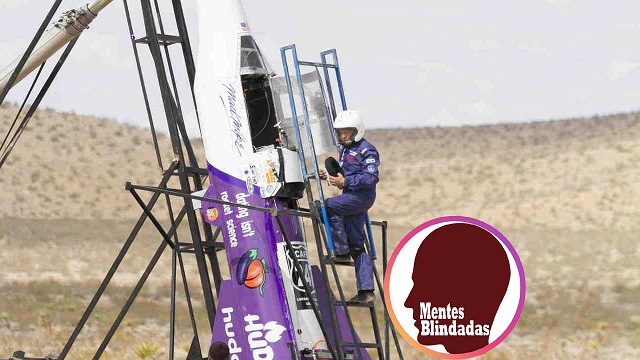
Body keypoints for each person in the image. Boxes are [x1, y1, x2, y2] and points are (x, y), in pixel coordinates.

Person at [319, 110, 380, 304]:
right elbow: (344, 176)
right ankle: (366, 291)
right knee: (357, 243)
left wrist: (346, 182)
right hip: (350, 196)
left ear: (357, 131)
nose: (344, 136)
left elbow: (371, 177)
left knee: (327, 207)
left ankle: (341, 250)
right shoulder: (344, 149)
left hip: (361, 197)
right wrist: (329, 178)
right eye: (341, 132)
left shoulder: (367, 149)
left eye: (347, 132)